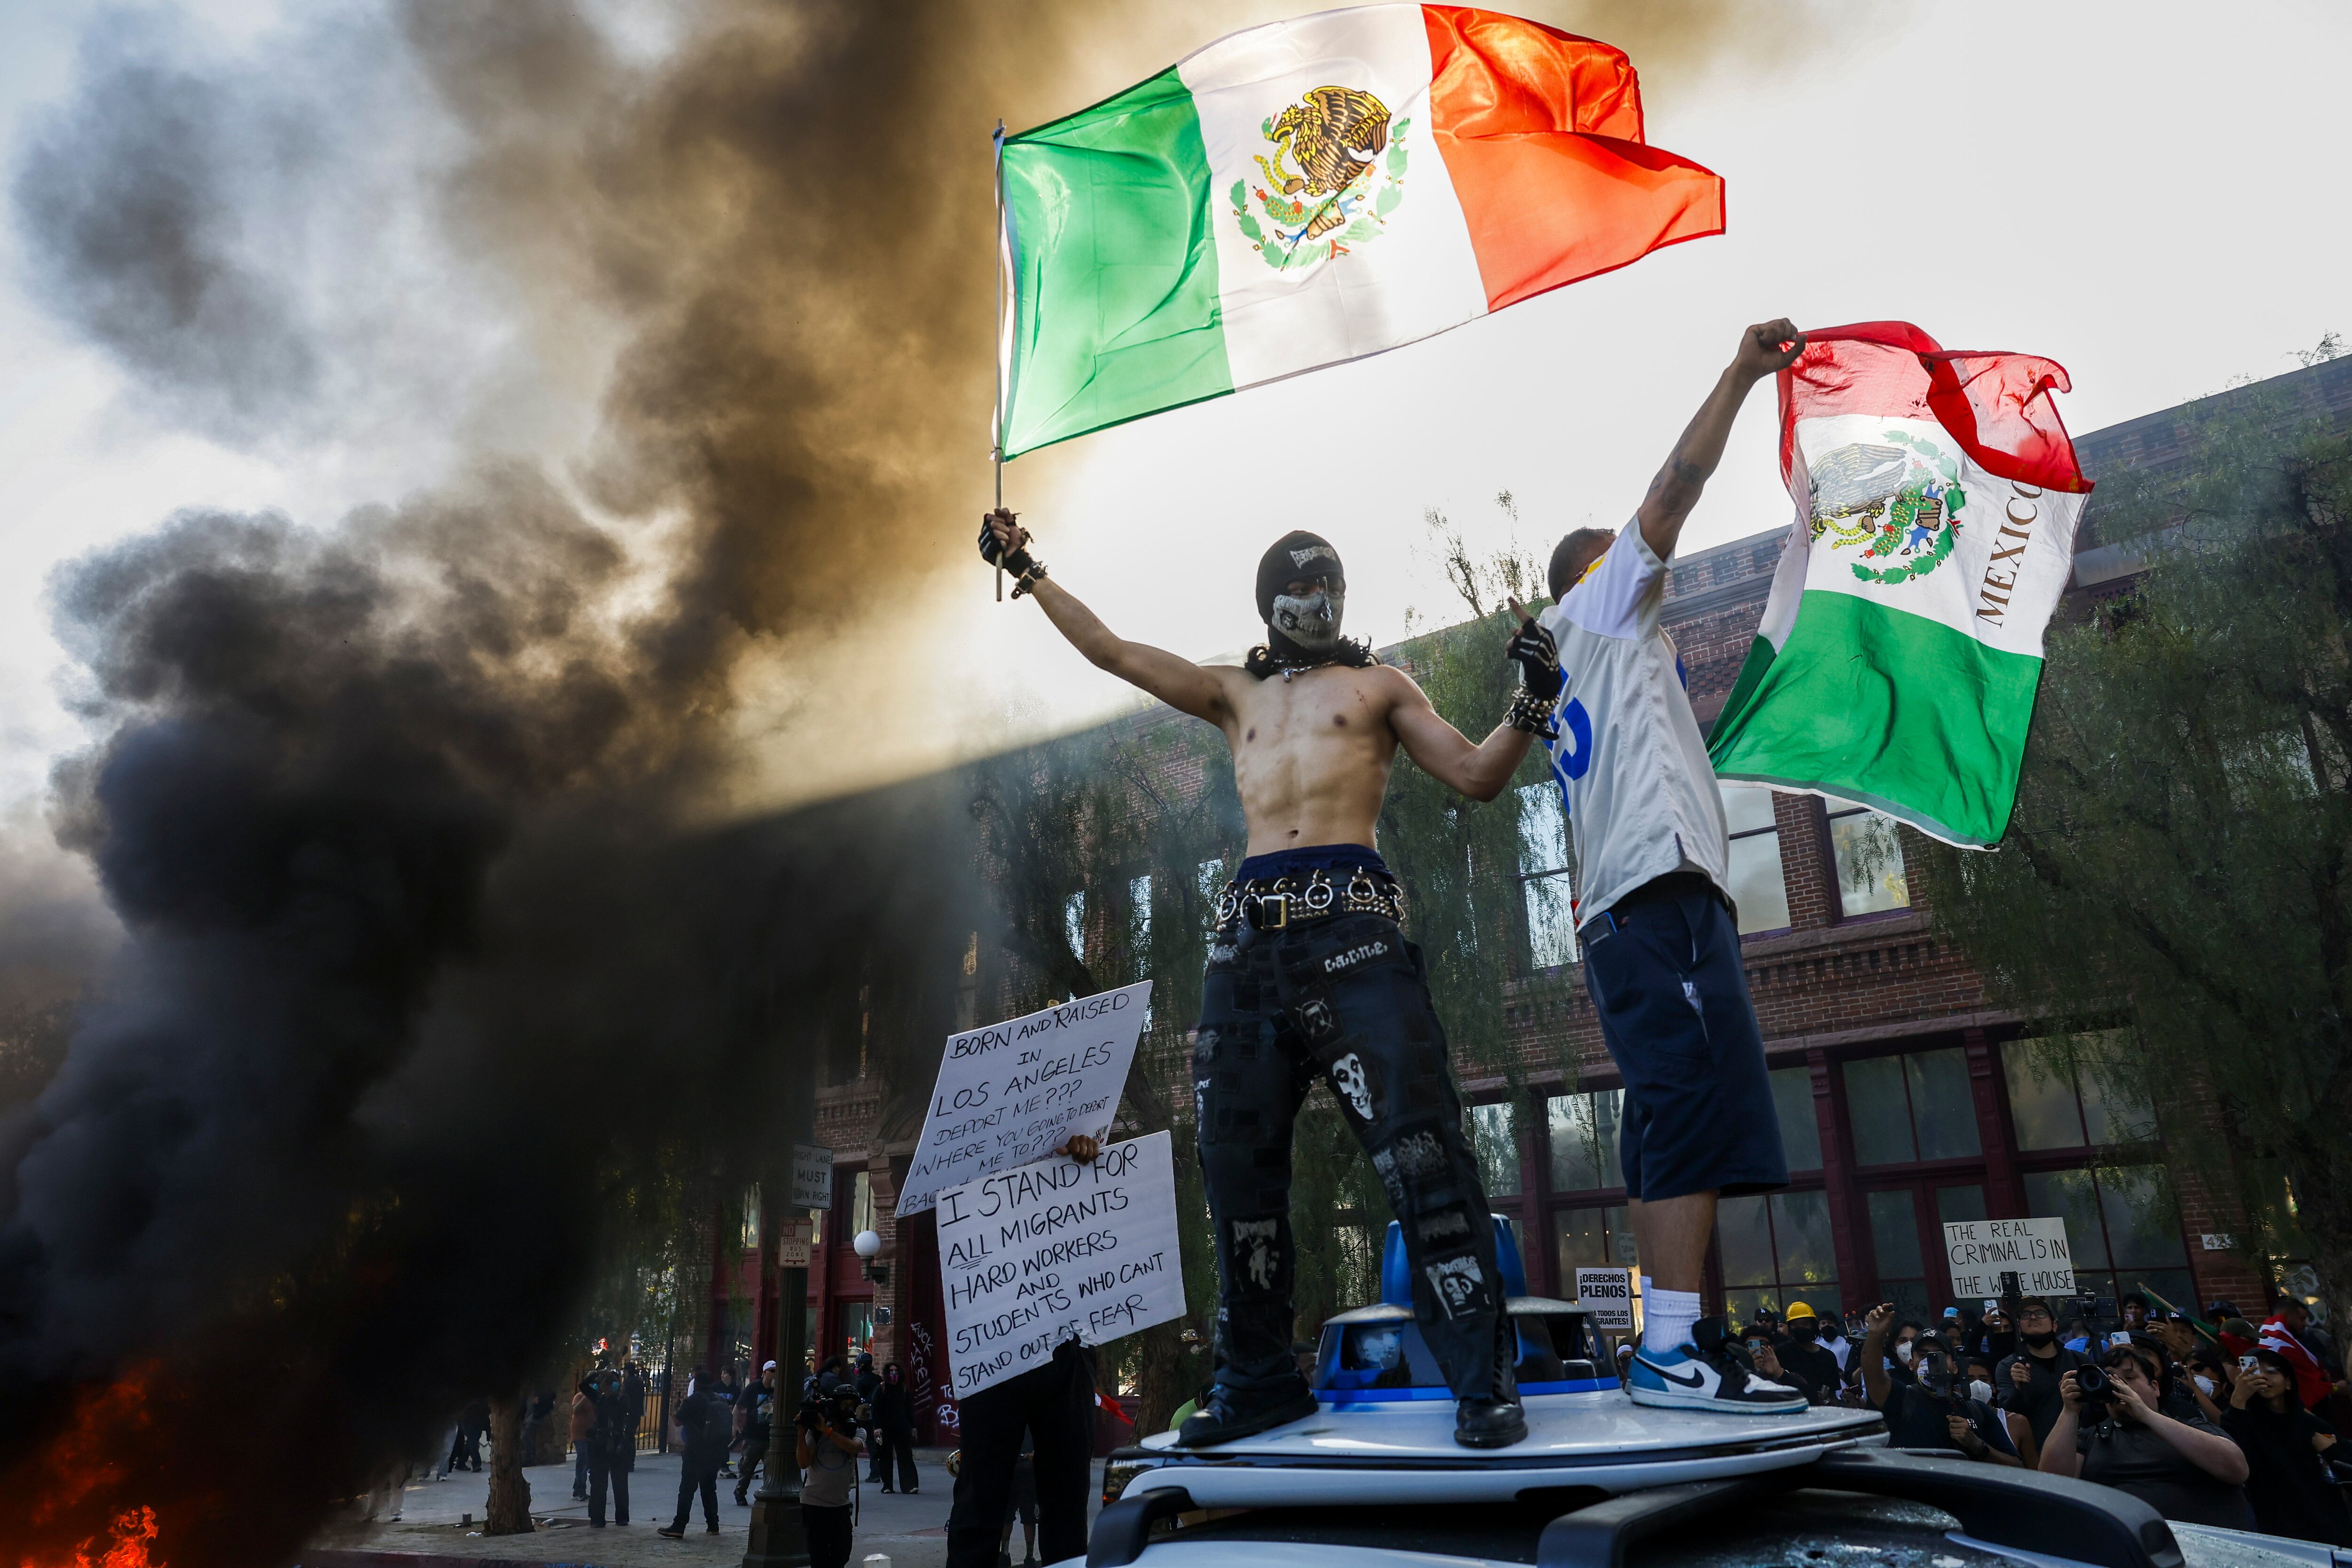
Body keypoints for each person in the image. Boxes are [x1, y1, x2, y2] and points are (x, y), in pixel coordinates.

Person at [981, 453, 1587, 1448]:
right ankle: (1257, 1379)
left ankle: (1483, 1381)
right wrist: (1030, 566)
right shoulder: (1233, 693)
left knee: (1421, 1149)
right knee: (1236, 1169)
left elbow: (1477, 777)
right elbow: (1114, 653)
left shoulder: (1380, 684)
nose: (1315, 593)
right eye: (1297, 582)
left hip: (1357, 930)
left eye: (1327, 579)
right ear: (1268, 600)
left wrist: (1530, 701)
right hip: (1247, 943)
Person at [1529, 320, 1812, 1416]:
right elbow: (1677, 483)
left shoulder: (1582, 660)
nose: (1660, 565)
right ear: (1597, 573)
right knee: (1689, 1108)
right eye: (1633, 553)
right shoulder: (1597, 605)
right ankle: (1669, 1348)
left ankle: (1679, 1343)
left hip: (1642, 901)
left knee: (1667, 1118)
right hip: (1652, 898)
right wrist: (1740, 373)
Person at [946, 1137, 1104, 1568]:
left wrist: (1083, 1160)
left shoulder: (1077, 1144)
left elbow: (1103, 1216)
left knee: (1068, 1501)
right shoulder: (977, 1145)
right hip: (996, 1342)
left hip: (1066, 1342)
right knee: (981, 1496)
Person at [2039, 1343, 2252, 1528]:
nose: (2118, 1385)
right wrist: (2070, 1411)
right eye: (2109, 1380)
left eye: (2129, 1377)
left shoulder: (2190, 1425)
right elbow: (2052, 1486)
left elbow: (2236, 1469)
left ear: (2155, 1387)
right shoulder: (2090, 1437)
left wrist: (2147, 1415)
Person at [1859, 1304, 2019, 1465]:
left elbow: (2017, 1466)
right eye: (1923, 1355)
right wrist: (1875, 1335)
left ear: (1955, 1366)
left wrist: (1977, 1445)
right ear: (1911, 1364)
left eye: (1939, 1355)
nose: (1931, 1361)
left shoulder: (1977, 1410)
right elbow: (1873, 1374)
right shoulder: (1900, 1399)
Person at [2226, 1347, 2352, 1544]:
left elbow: (2347, 1464)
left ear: (2289, 1382)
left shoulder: (2311, 1425)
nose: (2264, 1377)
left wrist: (2330, 1450)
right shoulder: (2245, 1423)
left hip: (2329, 1532)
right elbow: (2231, 1454)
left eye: (2272, 1371)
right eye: (2257, 1372)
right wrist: (2239, 1398)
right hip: (2279, 1535)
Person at [1996, 1297, 2091, 1450]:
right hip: (2036, 1454)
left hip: (2081, 1450)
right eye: (2026, 1315)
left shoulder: (2079, 1360)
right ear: (2020, 1329)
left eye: (2040, 1313)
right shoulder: (2008, 1366)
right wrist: (2018, 1389)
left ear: (2055, 1325)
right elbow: (2007, 1416)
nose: (2033, 1317)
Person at [798, 1383, 868, 1568]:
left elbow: (853, 1448)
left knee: (842, 1555)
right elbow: (804, 1462)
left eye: (852, 1404)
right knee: (819, 1559)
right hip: (814, 1505)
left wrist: (828, 1432)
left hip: (840, 1505)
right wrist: (801, 1432)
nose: (849, 1409)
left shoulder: (857, 1431)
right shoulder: (816, 1432)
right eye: (844, 1405)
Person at [659, 1369, 732, 1539]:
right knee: (709, 1489)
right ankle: (713, 1525)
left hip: (695, 1451)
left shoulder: (693, 1401)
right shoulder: (719, 1399)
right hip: (714, 1451)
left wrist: (674, 1409)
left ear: (696, 1384)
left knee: (687, 1490)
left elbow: (677, 1422)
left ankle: (679, 1526)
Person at [2262, 1296, 2341, 1413]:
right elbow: (2304, 1381)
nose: (2305, 1324)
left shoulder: (2281, 1338)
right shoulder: (2279, 1343)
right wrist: (2334, 1387)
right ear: (2287, 1316)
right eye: (2302, 1319)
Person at [580, 1360, 632, 1528]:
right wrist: (598, 1374)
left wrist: (612, 1376)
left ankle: (622, 1517)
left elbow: (623, 1393)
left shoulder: (622, 1400)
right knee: (599, 1484)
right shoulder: (598, 1399)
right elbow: (584, 1386)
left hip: (617, 1443)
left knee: (620, 1484)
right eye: (606, 1384)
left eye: (610, 1384)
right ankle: (597, 1519)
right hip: (600, 1443)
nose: (608, 1387)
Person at [1776, 1304, 1843, 1401]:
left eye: (1805, 1324)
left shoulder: (1828, 1357)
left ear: (1813, 1325)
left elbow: (1833, 1395)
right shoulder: (1781, 1352)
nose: (1801, 1328)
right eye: (1795, 1325)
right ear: (1790, 1327)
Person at [733, 1361, 776, 1505]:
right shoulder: (754, 1387)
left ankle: (768, 1493)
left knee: (770, 1468)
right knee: (747, 1468)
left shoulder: (779, 1389)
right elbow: (738, 1407)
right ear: (764, 1372)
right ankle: (740, 1492)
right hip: (753, 1434)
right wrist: (735, 1425)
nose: (775, 1374)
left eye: (777, 1371)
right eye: (772, 1371)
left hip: (771, 1435)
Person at [874, 1361, 918, 1494]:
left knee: (905, 1457)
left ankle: (909, 1486)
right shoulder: (881, 1389)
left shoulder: (903, 1389)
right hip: (885, 1429)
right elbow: (875, 1409)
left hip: (902, 1428)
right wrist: (877, 1427)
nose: (894, 1373)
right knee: (885, 1457)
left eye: (896, 1371)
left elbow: (909, 1409)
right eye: (891, 1371)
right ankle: (887, 1485)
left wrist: (913, 1426)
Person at [567, 1382, 596, 1500]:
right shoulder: (580, 1397)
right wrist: (586, 1396)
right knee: (583, 1460)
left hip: (591, 1433)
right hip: (579, 1433)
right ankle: (581, 1490)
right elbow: (576, 1410)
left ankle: (577, 1488)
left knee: (588, 1462)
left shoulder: (596, 1397)